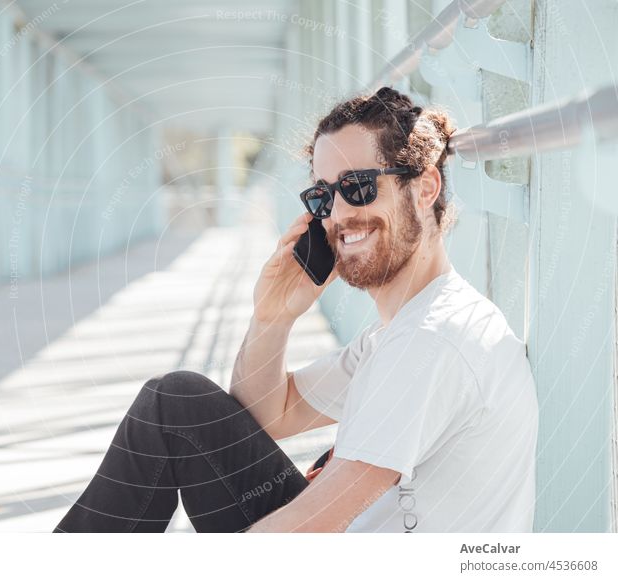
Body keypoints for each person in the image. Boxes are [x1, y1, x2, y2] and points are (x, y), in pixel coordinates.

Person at [53, 86, 538, 533]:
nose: (340, 213)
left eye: (360, 186)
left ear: (425, 187)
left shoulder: (431, 339)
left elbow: (313, 525)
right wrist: (273, 316)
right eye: (323, 196)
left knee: (172, 403)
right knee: (178, 404)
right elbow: (270, 413)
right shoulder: (398, 333)